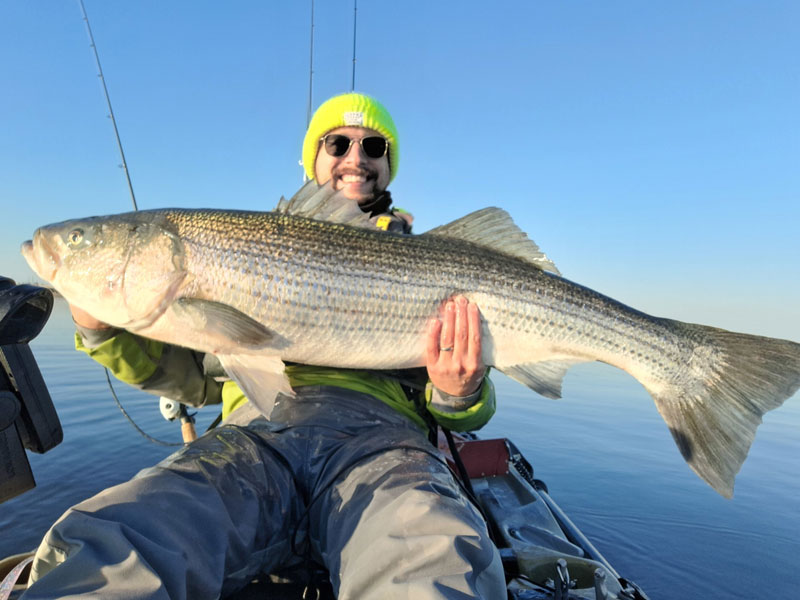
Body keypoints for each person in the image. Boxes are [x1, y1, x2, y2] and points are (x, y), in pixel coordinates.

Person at [23, 93, 506, 599]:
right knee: (112, 541)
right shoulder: (243, 244)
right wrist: (100, 329)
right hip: (253, 441)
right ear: (311, 158)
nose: (356, 158)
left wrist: (460, 392)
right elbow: (191, 380)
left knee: (437, 562)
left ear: (389, 165)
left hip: (381, 447)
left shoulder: (439, 263)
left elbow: (470, 413)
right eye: (337, 142)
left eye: (375, 146)